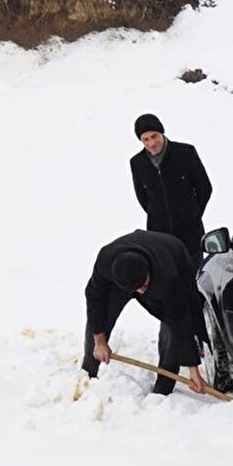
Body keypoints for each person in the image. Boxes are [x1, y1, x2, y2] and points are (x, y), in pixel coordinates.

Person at [82, 230, 208, 396]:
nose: (140, 292)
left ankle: (164, 386)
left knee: (173, 325)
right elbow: (95, 299)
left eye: (143, 286)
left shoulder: (168, 278)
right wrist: (99, 340)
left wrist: (193, 370)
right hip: (126, 266)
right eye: (135, 289)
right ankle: (87, 375)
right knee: (101, 315)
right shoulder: (106, 260)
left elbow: (180, 320)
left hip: (173, 255)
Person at [129, 113, 213, 264]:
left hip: (190, 235)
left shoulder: (186, 153)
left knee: (193, 279)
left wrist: (192, 215)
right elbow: (142, 197)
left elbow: (204, 188)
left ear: (161, 132)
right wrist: (158, 215)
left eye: (154, 136)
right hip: (159, 238)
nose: (151, 143)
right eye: (145, 139)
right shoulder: (137, 163)